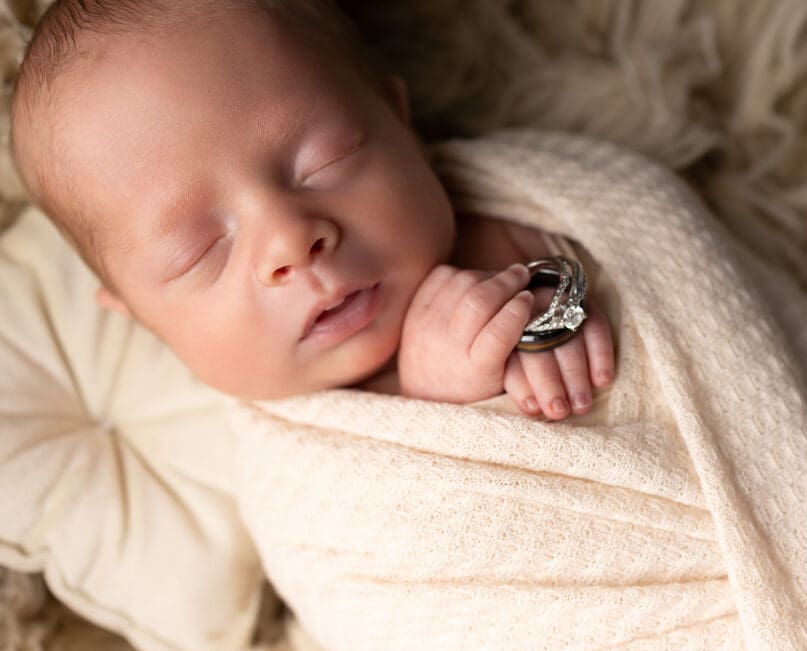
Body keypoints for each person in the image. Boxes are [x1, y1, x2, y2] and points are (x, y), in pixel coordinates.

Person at [9, 0, 616, 420]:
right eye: (199, 252)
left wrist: (547, 323)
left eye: (324, 162)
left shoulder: (526, 213)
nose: (289, 241)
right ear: (140, 317)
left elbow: (637, 268)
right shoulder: (287, 475)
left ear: (397, 119)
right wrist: (429, 398)